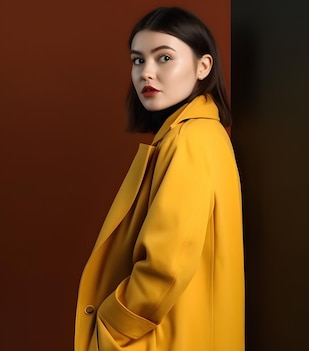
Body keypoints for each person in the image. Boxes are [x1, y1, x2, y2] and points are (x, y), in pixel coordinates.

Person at [74, 7, 244, 351]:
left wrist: (114, 325)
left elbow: (167, 262)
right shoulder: (201, 133)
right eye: (138, 61)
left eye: (164, 57)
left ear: (203, 66)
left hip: (160, 339)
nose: (146, 73)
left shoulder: (189, 140)